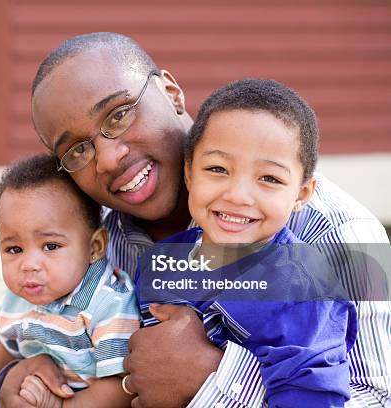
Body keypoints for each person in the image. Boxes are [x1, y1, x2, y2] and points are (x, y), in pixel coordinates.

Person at [0, 32, 391, 408]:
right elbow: (61, 329)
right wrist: (24, 375)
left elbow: (378, 395)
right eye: (79, 150)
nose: (109, 158)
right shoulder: (100, 239)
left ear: (171, 93)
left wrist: (212, 380)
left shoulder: (339, 235)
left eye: (118, 116)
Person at [136, 78, 358, 407]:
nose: (238, 195)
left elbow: (313, 399)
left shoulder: (302, 290)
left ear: (301, 194)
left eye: (269, 178)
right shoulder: (163, 259)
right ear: (189, 173)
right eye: (217, 168)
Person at [0, 154, 139, 407]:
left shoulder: (108, 303)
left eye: (50, 246)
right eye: (14, 249)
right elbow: (10, 348)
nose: (29, 265)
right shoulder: (23, 296)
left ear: (94, 247)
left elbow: (122, 386)